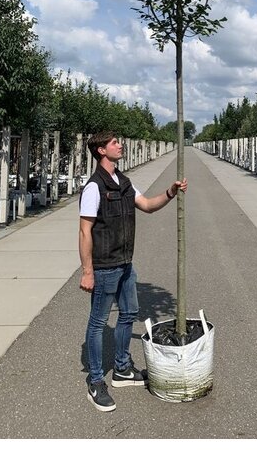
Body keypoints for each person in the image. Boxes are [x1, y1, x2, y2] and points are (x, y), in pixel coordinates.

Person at [79, 131, 188, 412]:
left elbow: (148, 206)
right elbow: (85, 230)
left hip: (126, 264)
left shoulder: (124, 183)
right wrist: (87, 271)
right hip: (104, 266)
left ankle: (122, 369)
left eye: (119, 142)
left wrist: (170, 192)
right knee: (98, 322)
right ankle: (95, 381)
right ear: (101, 151)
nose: (121, 145)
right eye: (115, 143)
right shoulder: (94, 187)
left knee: (128, 313)